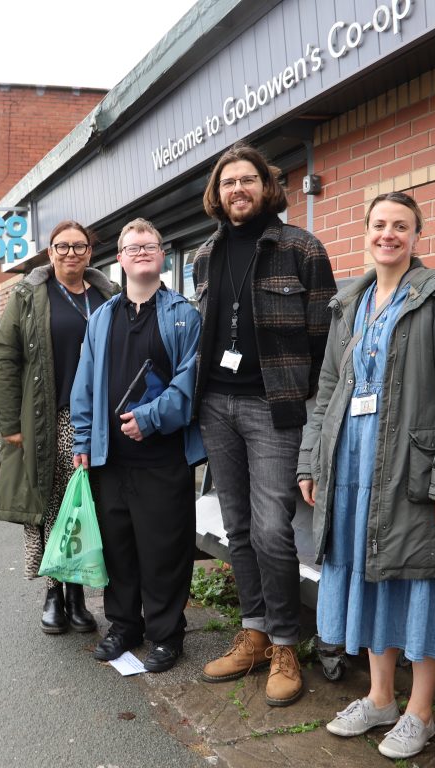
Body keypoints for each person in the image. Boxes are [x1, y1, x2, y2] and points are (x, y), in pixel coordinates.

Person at [297, 191, 435, 759]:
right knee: (371, 574)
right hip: (351, 465)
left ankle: (419, 713)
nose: (388, 235)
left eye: (400, 226)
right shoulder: (349, 304)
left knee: (419, 576)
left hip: (413, 470)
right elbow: (327, 389)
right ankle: (379, 698)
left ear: (417, 235)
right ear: (367, 231)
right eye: (379, 224)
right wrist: (311, 459)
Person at [193, 141, 336, 706]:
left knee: (274, 530)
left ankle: (283, 643)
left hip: (274, 408)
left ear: (266, 186)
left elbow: (326, 347)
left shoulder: (301, 247)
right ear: (217, 193)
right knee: (238, 527)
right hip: (215, 406)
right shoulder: (206, 254)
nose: (237, 190)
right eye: (228, 182)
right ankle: (253, 632)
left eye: (247, 180)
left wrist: (315, 417)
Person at [70, 217, 204, 672]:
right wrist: (83, 439)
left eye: (149, 244)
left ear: (162, 255)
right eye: (132, 246)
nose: (141, 250)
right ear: (120, 258)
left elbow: (192, 381)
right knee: (119, 548)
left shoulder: (185, 314)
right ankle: (124, 626)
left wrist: (149, 418)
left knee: (164, 550)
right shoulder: (102, 317)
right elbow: (84, 384)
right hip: (111, 458)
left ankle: (167, 634)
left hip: (163, 457)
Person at [0, 220, 119, 634]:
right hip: (49, 418)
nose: (70, 254)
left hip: (96, 421)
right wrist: (11, 424)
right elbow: (4, 356)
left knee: (87, 506)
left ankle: (77, 594)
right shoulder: (30, 295)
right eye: (61, 247)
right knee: (52, 507)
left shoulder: (107, 295)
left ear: (90, 252)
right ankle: (53, 593)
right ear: (50, 253)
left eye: (78, 246)